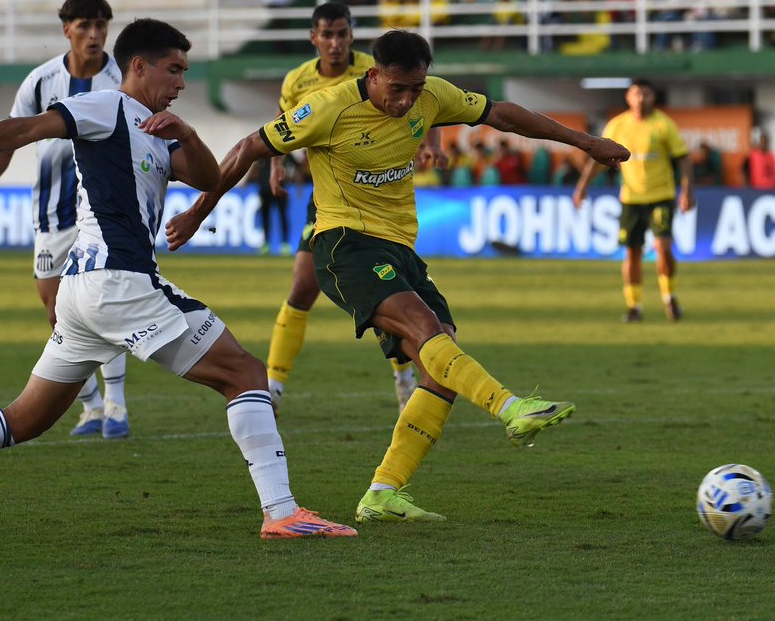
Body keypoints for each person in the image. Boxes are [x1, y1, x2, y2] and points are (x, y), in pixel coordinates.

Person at [167, 29, 628, 523]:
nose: (408, 100)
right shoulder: (328, 108)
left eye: (416, 88)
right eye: (398, 88)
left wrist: (585, 142)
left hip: (401, 249)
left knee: (441, 370)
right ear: (374, 75)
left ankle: (382, 493)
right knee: (425, 330)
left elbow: (504, 114)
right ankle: (510, 407)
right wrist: (197, 212)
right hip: (344, 244)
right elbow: (247, 148)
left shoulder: (432, 96)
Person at [0, 17, 355, 541]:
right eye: (174, 70)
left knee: (25, 420)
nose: (181, 83)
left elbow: (208, 178)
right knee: (246, 372)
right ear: (139, 66)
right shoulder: (104, 106)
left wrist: (188, 134)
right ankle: (282, 512)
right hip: (118, 283)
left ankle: (283, 513)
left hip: (82, 294)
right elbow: (25, 130)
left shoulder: (155, 129)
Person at [0, 0, 131, 440]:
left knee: (104, 306)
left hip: (101, 214)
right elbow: (12, 135)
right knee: (56, 311)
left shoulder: (120, 81)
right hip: (50, 214)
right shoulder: (41, 81)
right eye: (85, 25)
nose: (95, 34)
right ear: (67, 30)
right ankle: (93, 407)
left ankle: (117, 404)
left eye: (101, 25)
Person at [260, 2, 417, 415]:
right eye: (327, 35)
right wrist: (276, 164)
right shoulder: (298, 80)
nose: (335, 42)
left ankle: (404, 376)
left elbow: (423, 100)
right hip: (328, 201)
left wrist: (429, 145)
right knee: (301, 289)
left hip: (379, 202)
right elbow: (281, 121)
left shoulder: (374, 69)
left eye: (342, 34)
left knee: (388, 296)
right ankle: (273, 387)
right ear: (314, 38)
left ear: (351, 35)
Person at [573, 79, 693, 324]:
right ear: (628, 97)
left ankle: (669, 297)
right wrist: (582, 186)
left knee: (663, 247)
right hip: (631, 198)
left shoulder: (663, 124)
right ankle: (634, 306)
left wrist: (687, 191)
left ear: (653, 97)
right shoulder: (618, 125)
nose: (640, 99)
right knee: (632, 252)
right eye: (636, 94)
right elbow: (597, 158)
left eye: (645, 94)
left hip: (661, 196)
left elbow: (683, 158)